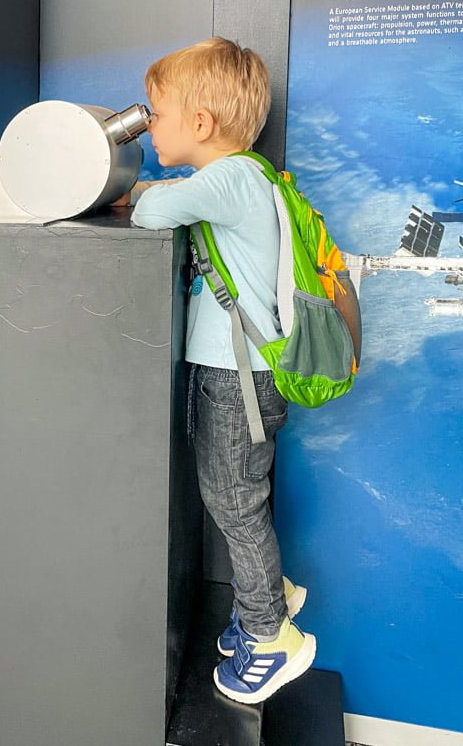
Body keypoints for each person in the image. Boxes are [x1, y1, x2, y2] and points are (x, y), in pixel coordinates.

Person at [128, 37, 316, 705]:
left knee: (235, 505)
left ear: (200, 124)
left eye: (154, 113)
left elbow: (149, 210)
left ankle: (271, 635)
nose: (148, 126)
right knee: (235, 499)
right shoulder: (249, 176)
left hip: (235, 379)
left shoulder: (228, 180)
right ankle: (262, 598)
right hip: (241, 374)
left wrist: (145, 188)